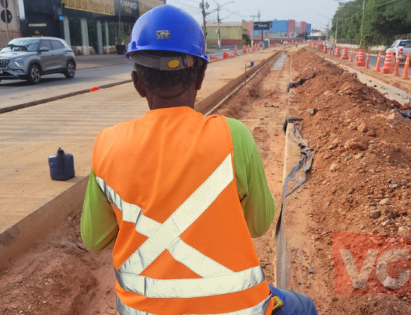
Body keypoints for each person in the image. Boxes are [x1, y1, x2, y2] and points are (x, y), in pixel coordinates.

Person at [80, 4, 317, 315]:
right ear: (201, 76)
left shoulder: (107, 144)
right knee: (305, 307)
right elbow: (259, 224)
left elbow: (94, 239)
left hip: (141, 310)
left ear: (138, 83)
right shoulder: (234, 136)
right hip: (237, 309)